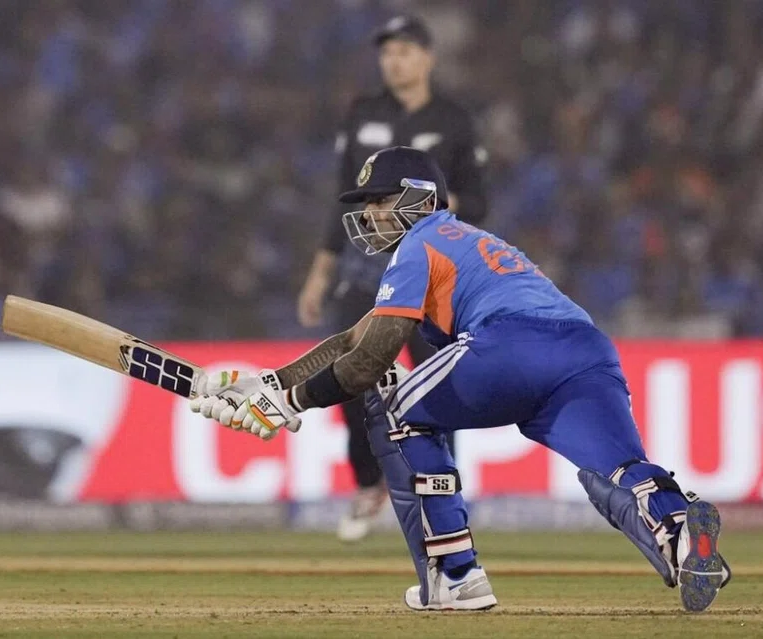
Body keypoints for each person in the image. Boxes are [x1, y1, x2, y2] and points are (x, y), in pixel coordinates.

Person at [190, 147, 731, 613]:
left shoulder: (418, 243)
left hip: (510, 344)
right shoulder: (461, 240)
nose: (370, 215)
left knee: (394, 408)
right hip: (586, 351)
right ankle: (682, 538)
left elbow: (369, 361)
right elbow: (352, 340)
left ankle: (455, 576)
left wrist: (289, 401)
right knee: (618, 470)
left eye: (380, 201)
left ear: (419, 197)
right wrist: (268, 384)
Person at [297, 14, 488, 542]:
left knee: (439, 383)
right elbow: (342, 197)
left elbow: (478, 202)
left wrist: (425, 205)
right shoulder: (363, 113)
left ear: (427, 57)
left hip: (431, 273)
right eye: (387, 52)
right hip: (365, 269)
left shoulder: (454, 120)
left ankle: (443, 493)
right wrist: (320, 274)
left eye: (404, 51)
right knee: (348, 374)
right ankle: (368, 483)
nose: (393, 61)